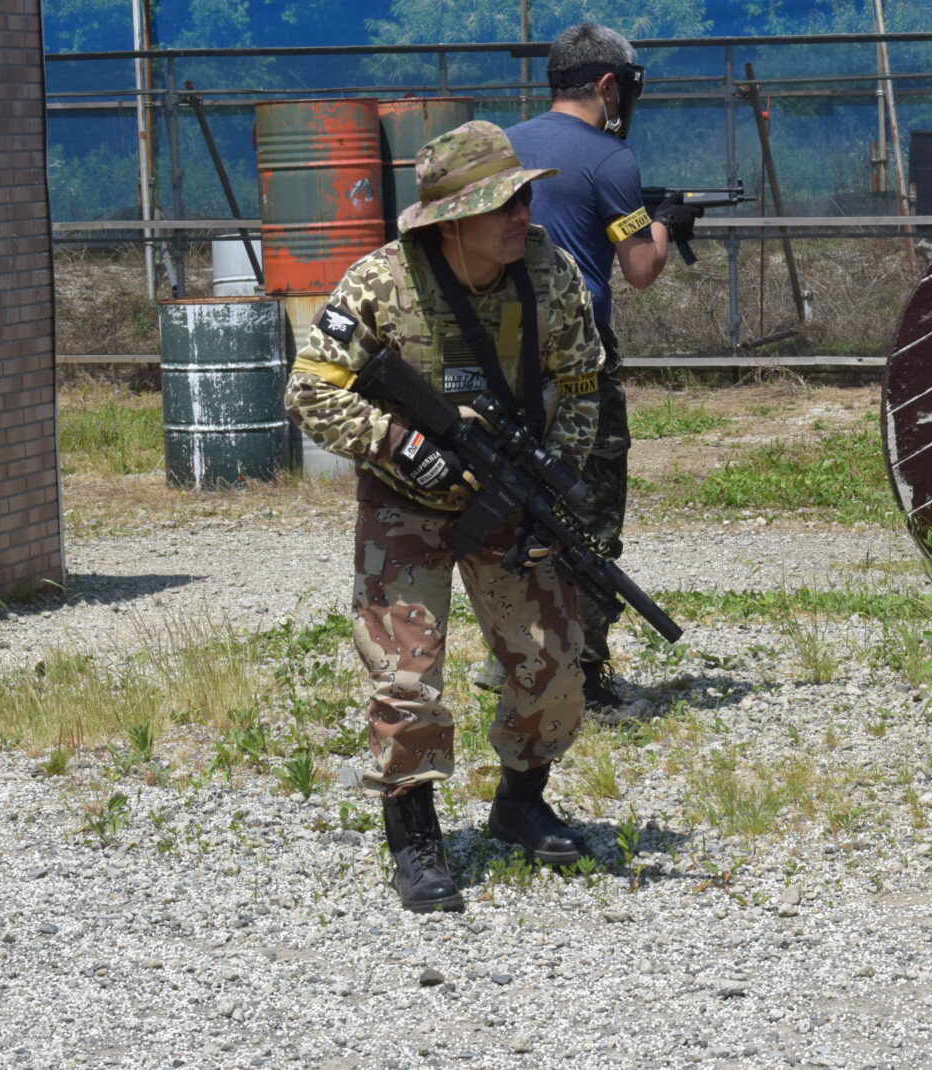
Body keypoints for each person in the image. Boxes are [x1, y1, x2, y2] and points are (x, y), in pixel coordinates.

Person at [285, 120, 605, 912]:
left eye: (524, 199)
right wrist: (398, 444)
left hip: (511, 501)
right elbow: (309, 391)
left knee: (554, 664)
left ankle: (521, 804)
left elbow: (582, 381)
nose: (523, 215)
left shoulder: (549, 275)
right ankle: (415, 838)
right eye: (503, 205)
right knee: (406, 679)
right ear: (452, 221)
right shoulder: (379, 284)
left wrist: (555, 481)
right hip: (406, 503)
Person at [502, 22, 701, 723]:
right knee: (588, 514)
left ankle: (513, 657)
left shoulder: (502, 145)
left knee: (517, 506)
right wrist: (666, 222)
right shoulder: (611, 159)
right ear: (609, 86)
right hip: (580, 360)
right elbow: (641, 268)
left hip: (502, 358)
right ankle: (583, 678)